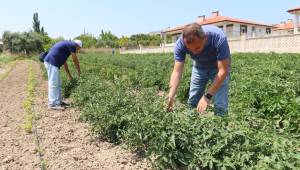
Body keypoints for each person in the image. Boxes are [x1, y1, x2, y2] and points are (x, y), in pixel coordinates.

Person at [166, 23, 230, 116]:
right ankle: (192, 122)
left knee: (220, 103)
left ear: (205, 38)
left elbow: (223, 71)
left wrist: (208, 96)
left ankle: (221, 122)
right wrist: (171, 97)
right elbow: (177, 73)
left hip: (218, 67)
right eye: (190, 50)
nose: (194, 52)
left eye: (197, 48)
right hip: (199, 67)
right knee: (193, 100)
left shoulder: (218, 38)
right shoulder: (180, 44)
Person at [44, 40, 82, 110]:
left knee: (58, 83)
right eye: (78, 49)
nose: (77, 51)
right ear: (78, 46)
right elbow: (75, 60)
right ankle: (53, 104)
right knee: (54, 83)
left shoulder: (66, 48)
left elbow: (64, 62)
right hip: (52, 62)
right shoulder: (72, 45)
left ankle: (58, 102)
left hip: (53, 63)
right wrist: (79, 72)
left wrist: (69, 75)